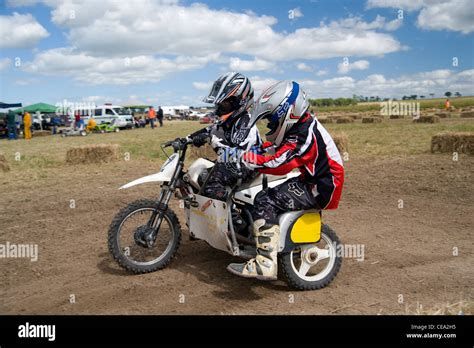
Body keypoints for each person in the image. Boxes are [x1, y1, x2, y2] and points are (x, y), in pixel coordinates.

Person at [227, 81, 345, 280]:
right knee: (266, 194)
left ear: (286, 112)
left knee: (266, 200)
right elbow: (276, 150)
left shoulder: (303, 133)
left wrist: (248, 160)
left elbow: (278, 164)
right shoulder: (301, 126)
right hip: (314, 179)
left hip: (323, 186)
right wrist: (251, 151)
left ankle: (265, 263)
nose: (270, 125)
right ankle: (266, 240)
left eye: (271, 120)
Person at [190, 72, 261, 234]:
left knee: (210, 182)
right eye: (221, 102)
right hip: (234, 162)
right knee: (200, 174)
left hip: (249, 164)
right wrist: (187, 139)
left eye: (226, 102)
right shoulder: (229, 120)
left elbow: (232, 152)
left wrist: (212, 140)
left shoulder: (246, 122)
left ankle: (236, 223)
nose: (220, 105)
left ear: (239, 101)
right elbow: (210, 129)